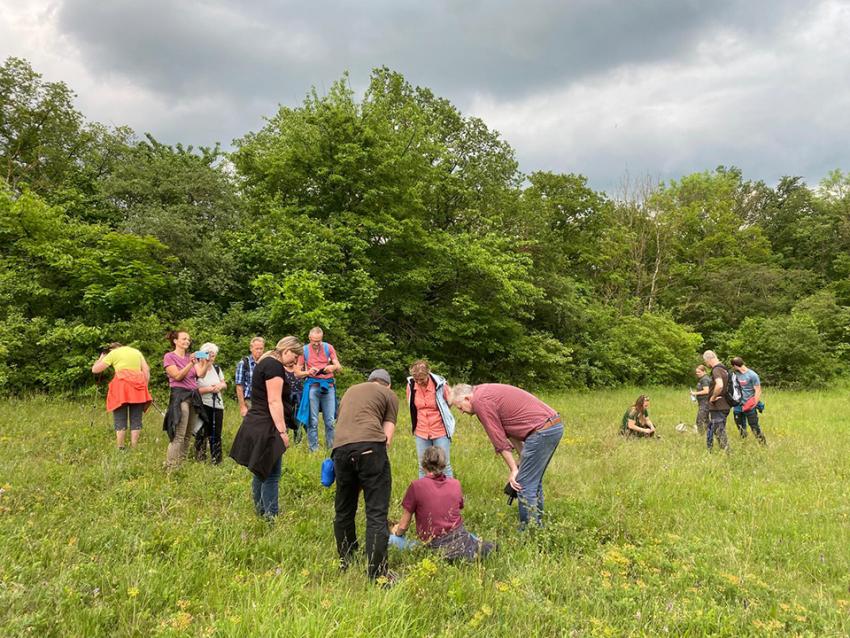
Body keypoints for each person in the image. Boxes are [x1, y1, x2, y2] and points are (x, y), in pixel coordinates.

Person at [450, 383, 563, 528]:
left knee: (523, 483)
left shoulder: (480, 402)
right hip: (551, 426)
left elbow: (498, 438)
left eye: (460, 407)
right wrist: (522, 458)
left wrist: (514, 470)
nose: (461, 412)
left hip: (542, 431)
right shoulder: (483, 391)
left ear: (467, 398)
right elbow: (509, 429)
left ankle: (529, 531)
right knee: (532, 480)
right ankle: (537, 525)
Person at [332, 369, 399, 584]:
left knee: (344, 510)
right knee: (376, 514)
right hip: (371, 448)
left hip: (340, 451)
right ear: (387, 385)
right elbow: (387, 437)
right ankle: (377, 575)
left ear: (369, 381)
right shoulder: (389, 395)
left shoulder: (351, 391)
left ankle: (346, 559)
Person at [229, 337, 302, 519]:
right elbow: (274, 400)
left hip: (256, 422)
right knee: (271, 474)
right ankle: (271, 516)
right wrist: (282, 432)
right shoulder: (274, 367)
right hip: (266, 425)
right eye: (295, 355)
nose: (296, 360)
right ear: (286, 350)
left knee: (260, 470)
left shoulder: (265, 362)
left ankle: (261, 512)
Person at [389, 446, 494, 561]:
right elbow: (457, 509)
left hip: (434, 545)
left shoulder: (416, 486)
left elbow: (403, 525)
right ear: (444, 465)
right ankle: (474, 546)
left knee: (390, 540)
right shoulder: (455, 484)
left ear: (423, 465)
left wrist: (397, 533)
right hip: (459, 536)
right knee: (471, 536)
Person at [163, 330, 211, 471]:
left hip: (193, 396)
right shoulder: (169, 356)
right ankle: (171, 466)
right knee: (179, 434)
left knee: (188, 434)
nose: (187, 342)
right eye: (184, 339)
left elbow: (200, 375)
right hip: (180, 396)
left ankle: (181, 464)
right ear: (175, 341)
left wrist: (207, 362)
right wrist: (190, 363)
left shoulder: (190, 357)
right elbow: (177, 376)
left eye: (188, 340)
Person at [91, 343, 152, 449]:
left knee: (120, 417)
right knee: (136, 418)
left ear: (111, 349)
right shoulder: (136, 352)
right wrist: (144, 386)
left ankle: (120, 447)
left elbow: (95, 369)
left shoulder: (113, 353)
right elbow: (146, 370)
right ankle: (134, 447)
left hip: (121, 388)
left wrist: (102, 356)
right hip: (138, 387)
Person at [406, 360, 455, 478]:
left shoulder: (441, 385)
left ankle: (450, 493)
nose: (419, 382)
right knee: (422, 466)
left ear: (428, 374)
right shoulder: (411, 385)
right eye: (416, 379)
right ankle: (424, 494)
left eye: (422, 379)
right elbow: (411, 405)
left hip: (440, 430)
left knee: (444, 464)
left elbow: (449, 402)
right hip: (421, 431)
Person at [296, 327, 342, 452]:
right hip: (312, 385)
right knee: (313, 420)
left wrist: (332, 367)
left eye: (319, 341)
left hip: (328, 385)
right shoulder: (304, 350)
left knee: (330, 421)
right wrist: (308, 372)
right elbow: (297, 372)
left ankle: (331, 449)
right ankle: (313, 450)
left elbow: (339, 366)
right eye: (314, 341)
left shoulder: (328, 347)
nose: (316, 344)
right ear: (309, 338)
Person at [194, 342, 228, 464]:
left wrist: (219, 386)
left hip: (217, 404)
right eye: (208, 354)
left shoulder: (217, 368)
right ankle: (200, 458)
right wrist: (209, 389)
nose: (211, 358)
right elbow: (194, 390)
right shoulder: (196, 368)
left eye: (213, 355)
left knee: (216, 432)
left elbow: (224, 383)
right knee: (201, 431)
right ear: (203, 354)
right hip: (202, 404)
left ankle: (217, 459)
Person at [731, 357, 767, 444]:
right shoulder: (735, 374)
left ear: (735, 365)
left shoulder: (752, 375)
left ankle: (763, 444)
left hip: (749, 405)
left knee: (754, 426)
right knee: (740, 426)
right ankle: (744, 442)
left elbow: (758, 390)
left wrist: (754, 404)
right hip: (738, 405)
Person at [703, 350, 731, 453]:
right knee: (718, 429)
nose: (706, 364)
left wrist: (713, 397)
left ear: (708, 359)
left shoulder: (716, 370)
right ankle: (724, 451)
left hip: (718, 406)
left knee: (719, 431)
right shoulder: (724, 369)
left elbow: (720, 385)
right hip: (725, 405)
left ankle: (727, 453)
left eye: (705, 362)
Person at [235, 337, 265, 418]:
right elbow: (239, 386)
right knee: (251, 426)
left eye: (261, 348)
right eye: (257, 348)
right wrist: (242, 406)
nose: (259, 351)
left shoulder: (266, 363)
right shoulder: (244, 363)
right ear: (251, 349)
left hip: (263, 400)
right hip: (249, 400)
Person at [283, 357, 305, 444]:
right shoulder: (281, 370)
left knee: (298, 421)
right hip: (286, 400)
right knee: (285, 422)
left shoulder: (301, 370)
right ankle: (284, 442)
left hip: (299, 400)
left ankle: (298, 443)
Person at [690, 365, 711, 434]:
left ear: (704, 371)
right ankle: (709, 434)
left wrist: (695, 393)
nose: (697, 373)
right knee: (706, 420)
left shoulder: (704, 379)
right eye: (696, 372)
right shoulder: (702, 379)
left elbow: (706, 391)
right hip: (703, 402)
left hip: (705, 403)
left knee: (700, 420)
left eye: (699, 372)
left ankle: (701, 435)